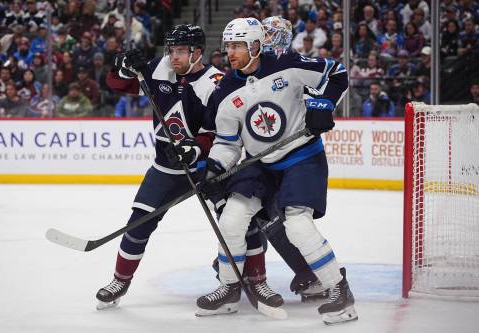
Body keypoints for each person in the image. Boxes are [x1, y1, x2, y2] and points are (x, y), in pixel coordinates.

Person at [196, 18, 358, 325]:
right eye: (228, 46)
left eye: (238, 46)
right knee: (231, 219)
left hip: (301, 156)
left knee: (297, 225)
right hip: (261, 164)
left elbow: (336, 73)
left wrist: (324, 104)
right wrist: (213, 168)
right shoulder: (225, 91)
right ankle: (230, 288)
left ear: (255, 46)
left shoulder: (287, 63)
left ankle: (339, 290)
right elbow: (228, 144)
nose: (230, 52)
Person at [94, 24, 224, 310]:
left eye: (180, 51)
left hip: (207, 168)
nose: (173, 56)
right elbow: (117, 85)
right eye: (171, 50)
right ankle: (120, 280)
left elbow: (219, 131)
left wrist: (198, 149)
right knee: (138, 224)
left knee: (236, 223)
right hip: (166, 168)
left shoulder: (214, 82)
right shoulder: (160, 68)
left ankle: (232, 280)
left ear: (197, 53)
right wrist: (122, 69)